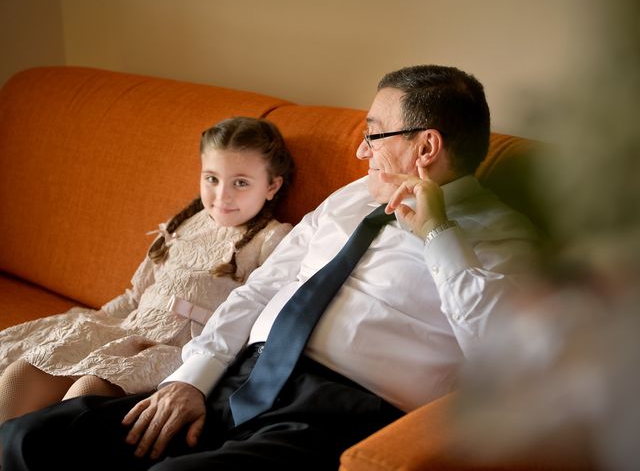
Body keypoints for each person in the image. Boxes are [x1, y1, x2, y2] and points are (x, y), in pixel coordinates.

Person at [0, 64, 541, 470]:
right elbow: (264, 288)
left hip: (339, 412)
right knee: (28, 441)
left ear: (426, 146)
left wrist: (438, 235)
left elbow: (504, 355)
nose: (361, 152)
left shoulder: (505, 236)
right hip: (238, 377)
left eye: (374, 134)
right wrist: (192, 378)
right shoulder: (354, 197)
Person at [0, 116, 295, 426]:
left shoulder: (271, 239)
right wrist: (92, 321)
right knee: (24, 371)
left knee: (85, 391)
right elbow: (136, 296)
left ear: (272, 185)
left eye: (241, 183)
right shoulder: (184, 223)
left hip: (177, 348)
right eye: (211, 178)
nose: (222, 196)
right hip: (130, 329)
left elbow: (262, 314)